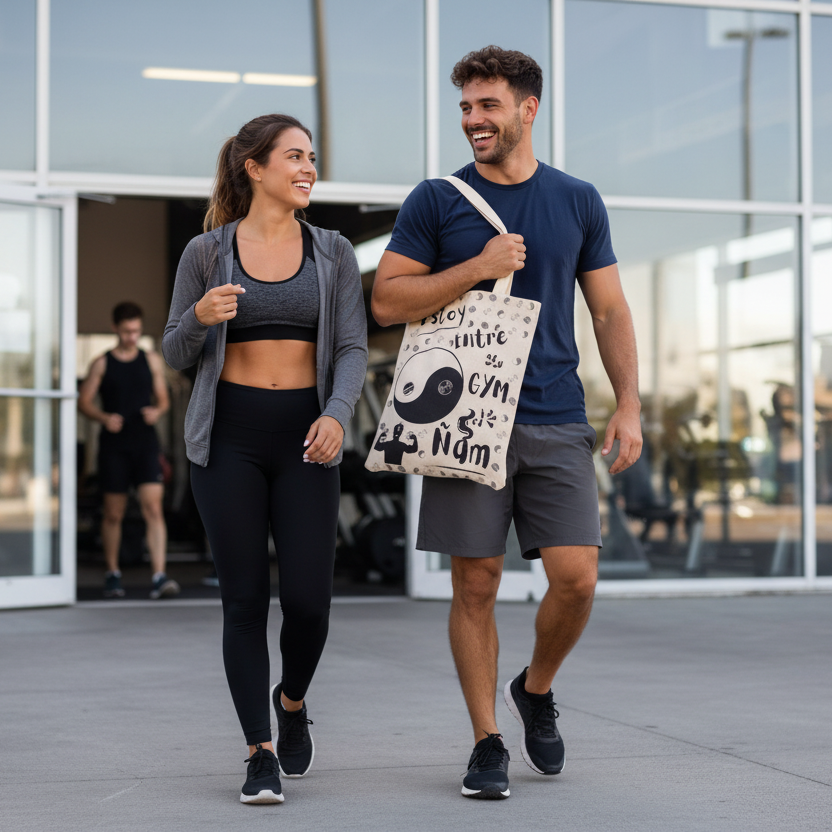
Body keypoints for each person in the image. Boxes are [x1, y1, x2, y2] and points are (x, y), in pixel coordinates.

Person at [372, 46, 642, 800]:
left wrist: (629, 402)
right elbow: (388, 301)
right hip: (466, 417)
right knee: (476, 584)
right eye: (464, 107)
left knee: (577, 578)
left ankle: (537, 687)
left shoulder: (578, 199)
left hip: (557, 413)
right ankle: (487, 738)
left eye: (487, 106)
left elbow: (609, 308)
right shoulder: (437, 200)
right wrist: (476, 266)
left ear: (528, 108)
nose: (472, 121)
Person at [162, 114, 367, 805]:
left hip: (308, 437)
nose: (308, 168)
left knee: (309, 602)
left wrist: (338, 415)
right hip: (229, 439)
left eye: (312, 158)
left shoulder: (334, 251)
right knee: (244, 600)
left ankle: (292, 696)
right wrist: (201, 317)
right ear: (255, 167)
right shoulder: (206, 253)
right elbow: (172, 353)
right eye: (295, 157)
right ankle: (259, 753)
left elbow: (351, 349)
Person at [78, 302, 180, 600]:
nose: (132, 337)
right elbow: (84, 402)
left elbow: (163, 400)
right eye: (126, 332)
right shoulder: (102, 363)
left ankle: (159, 577)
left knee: (153, 508)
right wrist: (103, 417)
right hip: (114, 447)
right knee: (114, 513)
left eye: (136, 331)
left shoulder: (150, 360)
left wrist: (157, 412)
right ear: (115, 329)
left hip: (145, 444)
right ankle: (113, 574)